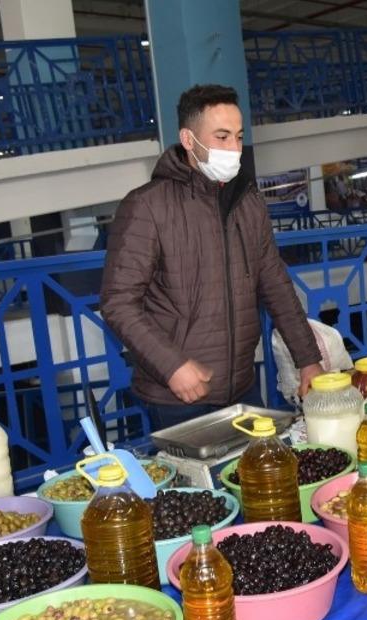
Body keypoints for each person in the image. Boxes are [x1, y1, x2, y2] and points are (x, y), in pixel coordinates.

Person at [101, 84, 324, 431]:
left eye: (238, 136)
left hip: (243, 387)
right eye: (221, 137)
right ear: (188, 140)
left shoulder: (248, 201)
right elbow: (118, 303)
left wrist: (308, 360)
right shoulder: (147, 206)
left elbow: (276, 285)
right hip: (177, 396)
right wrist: (172, 366)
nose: (234, 148)